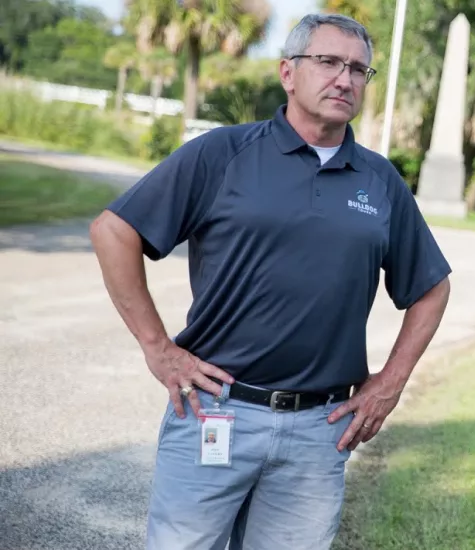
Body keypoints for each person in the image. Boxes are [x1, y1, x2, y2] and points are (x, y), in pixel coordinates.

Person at [89, 13, 452, 550]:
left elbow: (431, 287)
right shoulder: (223, 154)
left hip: (319, 428)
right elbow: (112, 231)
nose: (344, 79)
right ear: (288, 72)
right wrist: (158, 348)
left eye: (358, 70)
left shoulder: (380, 181)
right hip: (216, 409)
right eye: (327, 62)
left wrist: (390, 383)